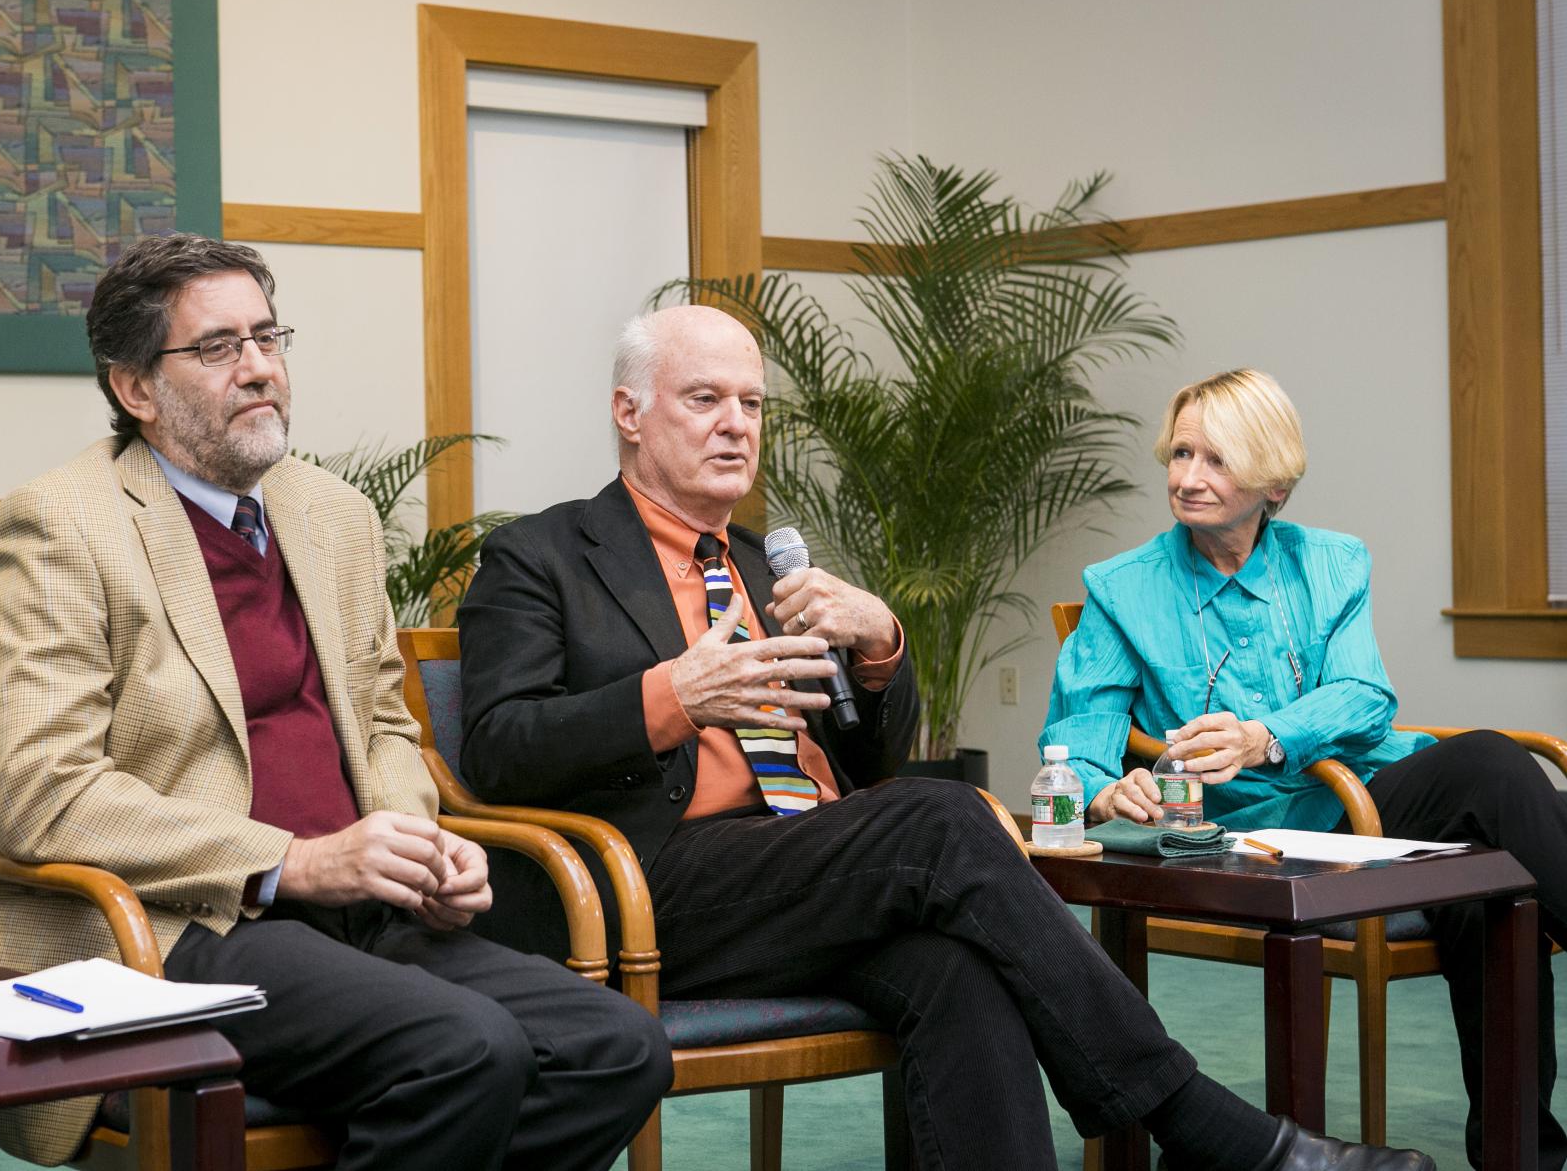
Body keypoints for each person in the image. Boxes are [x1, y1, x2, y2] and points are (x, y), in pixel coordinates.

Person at [457, 305, 1434, 1171]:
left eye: (752, 405)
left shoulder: (763, 568)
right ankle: (1201, 1125)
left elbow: (862, 766)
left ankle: (1199, 1131)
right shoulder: (539, 555)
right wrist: (671, 694)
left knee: (954, 972)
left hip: (794, 868)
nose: (735, 426)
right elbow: (497, 748)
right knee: (944, 816)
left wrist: (882, 652)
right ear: (629, 412)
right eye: (704, 399)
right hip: (641, 879)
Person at [0, 234, 670, 1171]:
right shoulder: (64, 522)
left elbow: (384, 725)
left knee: (617, 1048)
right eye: (218, 347)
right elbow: (42, 792)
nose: (259, 368)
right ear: (136, 388)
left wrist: (423, 844)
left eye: (268, 337)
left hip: (363, 911)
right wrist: (291, 862)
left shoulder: (329, 514)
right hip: (181, 921)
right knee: (465, 1050)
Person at [1042, 367, 1567, 1171]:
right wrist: (1106, 781)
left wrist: (1265, 734)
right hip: (1252, 831)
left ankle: (1519, 1153)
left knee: (1493, 816)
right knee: (1496, 836)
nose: (1186, 477)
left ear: (1271, 481)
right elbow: (1076, 736)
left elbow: (1364, 697)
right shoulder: (1123, 589)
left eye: (1215, 460)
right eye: (1179, 453)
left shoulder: (1329, 562)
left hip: (1363, 803)